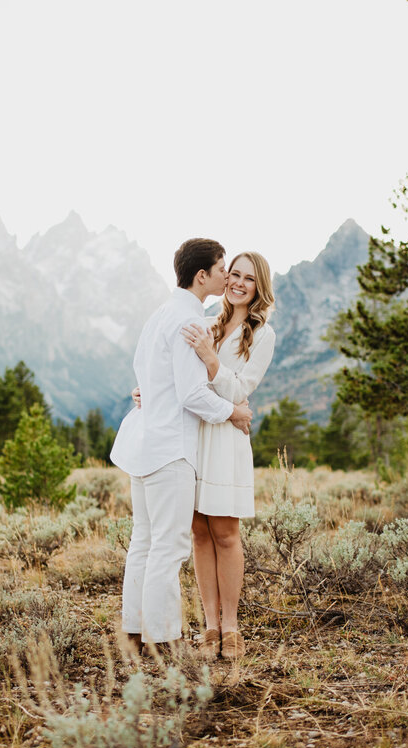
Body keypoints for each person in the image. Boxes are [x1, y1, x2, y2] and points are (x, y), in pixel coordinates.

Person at [110, 238, 254, 656]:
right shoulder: (189, 322)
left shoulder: (161, 314)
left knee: (144, 541)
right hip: (171, 448)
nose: (228, 275)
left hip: (144, 444)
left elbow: (148, 373)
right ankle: (165, 640)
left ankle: (134, 634)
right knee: (169, 546)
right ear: (202, 276)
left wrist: (147, 394)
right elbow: (192, 394)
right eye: (223, 268)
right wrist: (232, 412)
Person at [180, 252, 276, 659]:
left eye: (248, 279)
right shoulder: (206, 324)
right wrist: (147, 392)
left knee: (225, 532)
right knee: (199, 532)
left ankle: (232, 628)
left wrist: (211, 359)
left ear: (259, 287)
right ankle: (210, 627)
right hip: (195, 434)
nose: (238, 283)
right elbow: (182, 379)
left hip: (226, 441)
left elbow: (241, 391)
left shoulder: (262, 334)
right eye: (233, 274)